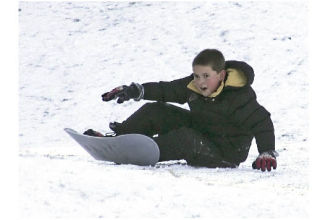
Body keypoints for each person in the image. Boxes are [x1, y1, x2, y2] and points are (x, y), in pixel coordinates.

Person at [84, 49, 278, 172]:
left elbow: (262, 122)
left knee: (186, 139)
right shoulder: (194, 85)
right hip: (203, 131)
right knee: (156, 110)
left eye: (206, 76)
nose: (200, 82)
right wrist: (136, 90)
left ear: (221, 75)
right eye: (196, 75)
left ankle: (139, 153)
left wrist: (266, 152)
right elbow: (167, 90)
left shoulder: (238, 96)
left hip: (225, 152)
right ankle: (119, 140)